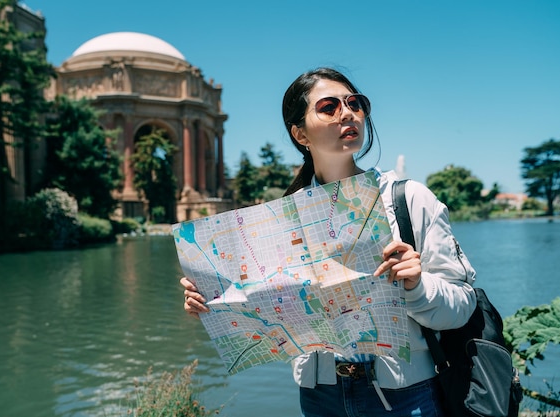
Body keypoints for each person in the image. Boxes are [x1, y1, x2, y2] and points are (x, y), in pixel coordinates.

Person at [181, 67, 477, 417]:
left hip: (405, 396)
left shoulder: (409, 199)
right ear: (300, 133)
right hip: (320, 398)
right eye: (329, 107)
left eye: (355, 103)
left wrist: (416, 285)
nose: (348, 113)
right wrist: (215, 302)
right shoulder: (278, 221)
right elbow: (273, 318)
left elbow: (461, 308)